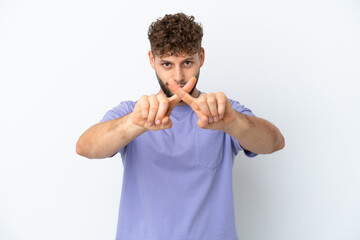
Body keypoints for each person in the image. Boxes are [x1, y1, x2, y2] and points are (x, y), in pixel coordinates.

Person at [76, 13, 285, 240]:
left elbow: (275, 142)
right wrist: (135, 123)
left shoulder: (223, 112)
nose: (178, 77)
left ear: (201, 57)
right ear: (151, 60)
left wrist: (234, 122)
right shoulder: (132, 112)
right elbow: (86, 147)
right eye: (167, 64)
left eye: (187, 63)